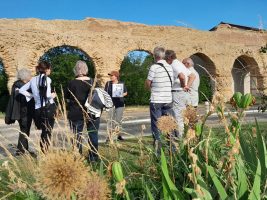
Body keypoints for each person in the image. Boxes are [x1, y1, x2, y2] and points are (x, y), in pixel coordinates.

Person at [65, 60, 100, 161]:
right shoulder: (93, 82)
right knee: (93, 133)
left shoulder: (72, 83)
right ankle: (93, 157)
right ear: (86, 69)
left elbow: (67, 98)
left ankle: (77, 157)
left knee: (77, 135)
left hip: (75, 111)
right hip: (92, 111)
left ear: (75, 70)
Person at [19, 61, 57, 153]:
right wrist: (53, 95)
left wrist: (32, 96)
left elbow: (21, 90)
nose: (50, 71)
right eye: (50, 69)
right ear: (47, 69)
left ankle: (44, 151)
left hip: (37, 110)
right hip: (47, 108)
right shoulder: (48, 79)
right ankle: (45, 152)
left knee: (43, 131)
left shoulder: (33, 79)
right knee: (47, 132)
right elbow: (47, 95)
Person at [145, 47, 173, 152]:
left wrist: (149, 88)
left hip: (156, 100)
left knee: (156, 125)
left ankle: (158, 151)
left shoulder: (154, 67)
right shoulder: (170, 67)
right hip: (168, 99)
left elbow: (148, 82)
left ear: (155, 56)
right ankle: (172, 149)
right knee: (169, 124)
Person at [165, 50, 195, 137]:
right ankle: (191, 136)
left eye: (166, 59)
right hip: (184, 93)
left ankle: (180, 138)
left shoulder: (173, 65)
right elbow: (192, 76)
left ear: (169, 58)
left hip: (177, 92)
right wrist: (187, 86)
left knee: (178, 117)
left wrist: (183, 86)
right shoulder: (180, 63)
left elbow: (181, 76)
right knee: (187, 116)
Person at [5, 68, 35, 155]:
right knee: (24, 130)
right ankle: (21, 151)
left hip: (23, 111)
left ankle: (23, 149)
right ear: (25, 77)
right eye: (30, 75)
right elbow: (26, 98)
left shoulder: (18, 84)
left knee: (24, 130)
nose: (31, 76)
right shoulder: (20, 85)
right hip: (23, 112)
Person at [104, 70, 127, 141]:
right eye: (110, 75)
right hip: (110, 104)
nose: (110, 77)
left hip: (119, 104)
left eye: (112, 75)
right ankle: (109, 136)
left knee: (118, 120)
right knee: (110, 120)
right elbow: (105, 93)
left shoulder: (121, 83)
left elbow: (126, 93)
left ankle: (118, 135)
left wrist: (120, 94)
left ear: (116, 76)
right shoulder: (108, 84)